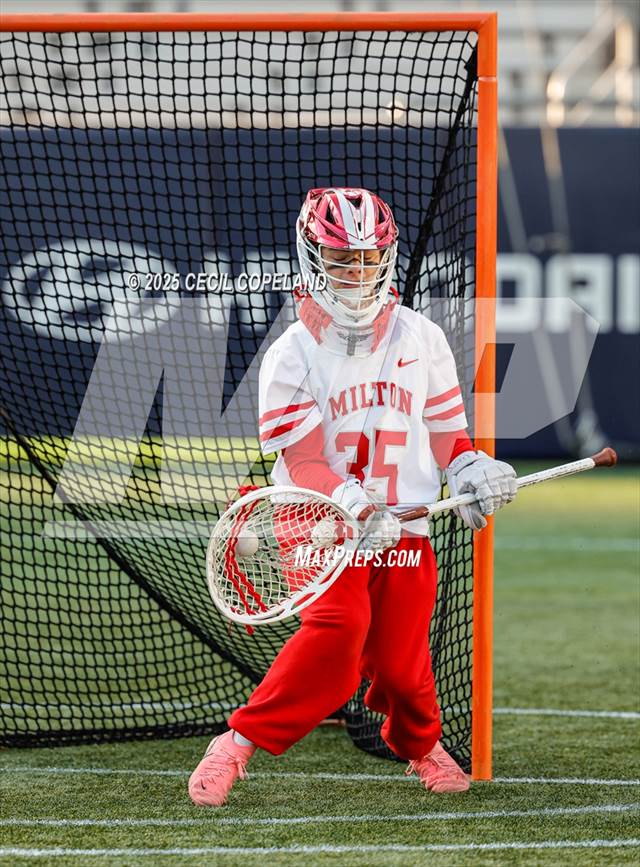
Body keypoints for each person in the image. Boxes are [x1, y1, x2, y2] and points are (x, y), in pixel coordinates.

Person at [189, 187, 517, 806]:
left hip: (405, 527)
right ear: (313, 260)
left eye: (370, 259)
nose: (359, 273)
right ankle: (236, 743)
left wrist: (468, 466)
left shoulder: (422, 337)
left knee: (399, 667)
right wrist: (354, 504)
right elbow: (305, 461)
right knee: (339, 634)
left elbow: (445, 432)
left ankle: (420, 745)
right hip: (318, 524)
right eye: (342, 260)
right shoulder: (290, 354)